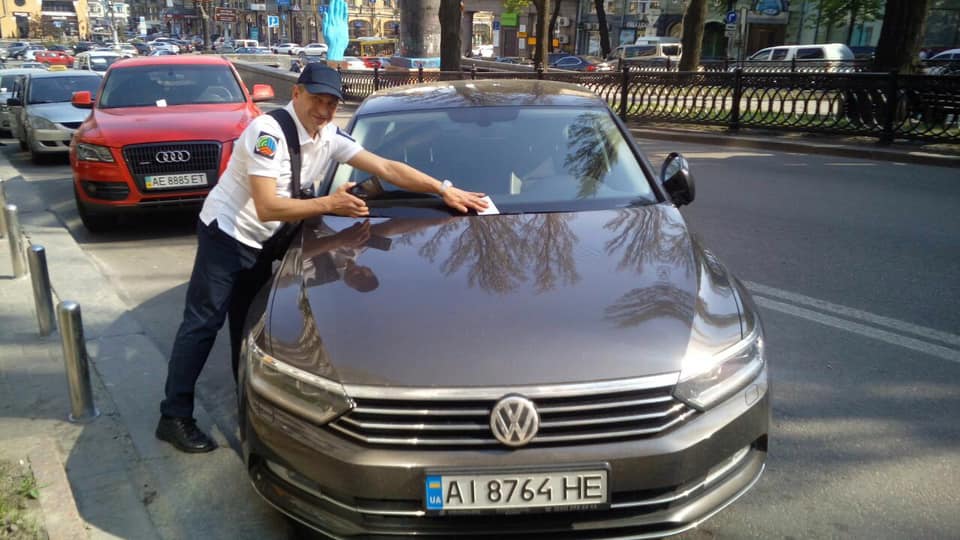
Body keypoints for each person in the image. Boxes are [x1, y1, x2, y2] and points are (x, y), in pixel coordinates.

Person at [155, 63, 488, 453]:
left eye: (331, 103)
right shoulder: (267, 134)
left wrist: (443, 189)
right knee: (202, 323)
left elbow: (385, 167)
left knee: (245, 326)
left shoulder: (328, 134)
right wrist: (331, 204)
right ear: (297, 93)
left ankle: (244, 402)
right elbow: (266, 206)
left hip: (261, 241)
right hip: (227, 236)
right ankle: (174, 416)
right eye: (317, 100)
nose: (324, 110)